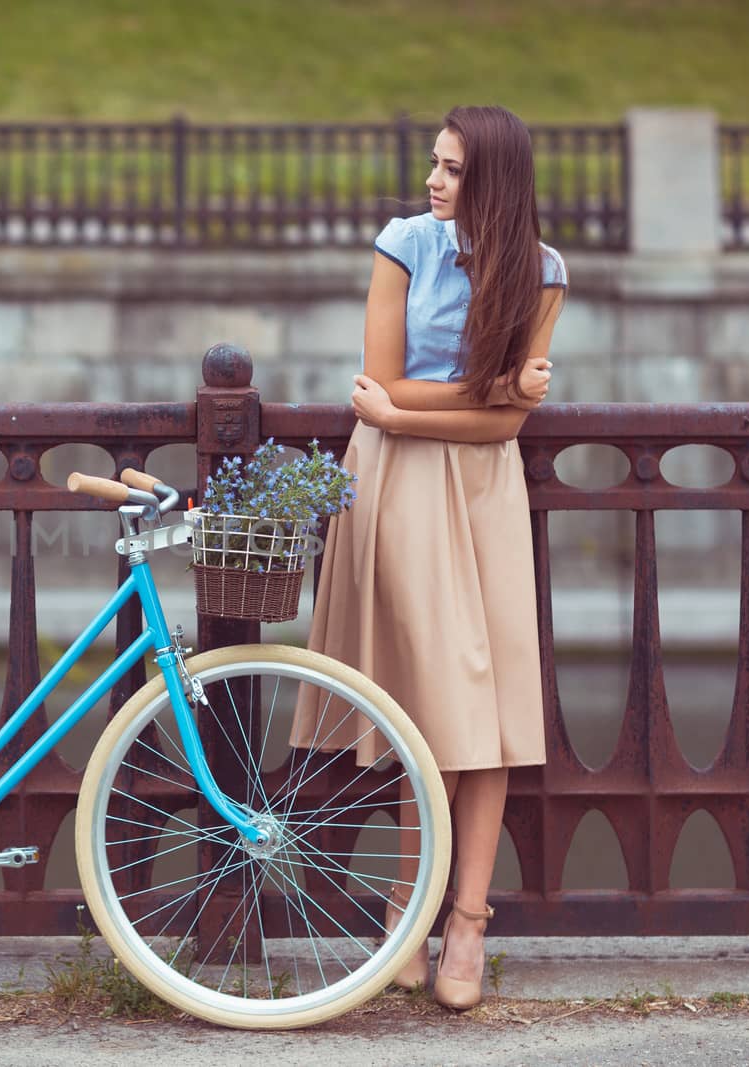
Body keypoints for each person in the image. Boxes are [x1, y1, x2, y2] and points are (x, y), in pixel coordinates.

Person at [288, 104, 566, 1010]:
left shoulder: (541, 272)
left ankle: (468, 922)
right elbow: (382, 382)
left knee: (482, 706)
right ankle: (411, 917)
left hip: (486, 491)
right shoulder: (403, 243)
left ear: (493, 183)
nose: (434, 181)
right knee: (421, 705)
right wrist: (462, 397)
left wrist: (438, 407)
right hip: (400, 479)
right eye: (434, 164)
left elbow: (510, 423)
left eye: (452, 170)